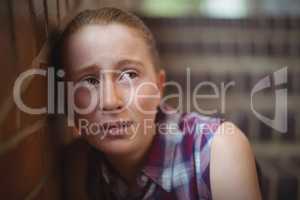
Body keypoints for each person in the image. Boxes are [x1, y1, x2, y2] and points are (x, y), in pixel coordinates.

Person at [55, 7, 262, 200]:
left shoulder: (217, 149)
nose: (110, 101)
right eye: (90, 81)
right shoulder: (78, 166)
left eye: (129, 74)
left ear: (159, 86)